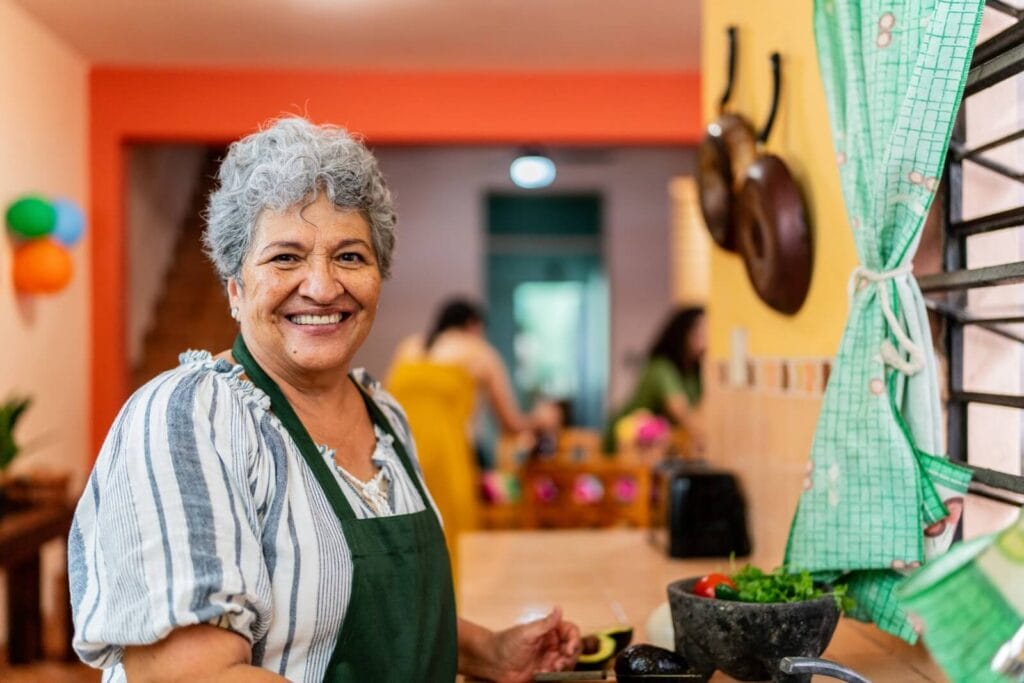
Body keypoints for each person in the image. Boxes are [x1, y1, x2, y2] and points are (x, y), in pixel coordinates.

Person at [69, 118, 580, 682]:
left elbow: (355, 614)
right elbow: (193, 675)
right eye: (285, 257)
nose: (321, 285)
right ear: (235, 290)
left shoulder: (386, 416)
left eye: (350, 257)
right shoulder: (189, 419)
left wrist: (490, 652)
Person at [385, 298, 530, 569]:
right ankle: (445, 610)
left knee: (402, 541)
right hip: (446, 457)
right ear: (473, 325)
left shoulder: (408, 347)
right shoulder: (479, 351)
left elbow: (383, 402)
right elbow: (511, 423)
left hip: (398, 455)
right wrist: (542, 420)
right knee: (446, 543)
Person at [603, 306, 707, 454]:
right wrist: (705, 436)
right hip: (627, 442)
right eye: (700, 333)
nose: (706, 339)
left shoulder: (694, 373)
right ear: (683, 335)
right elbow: (682, 413)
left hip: (654, 447)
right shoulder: (661, 368)